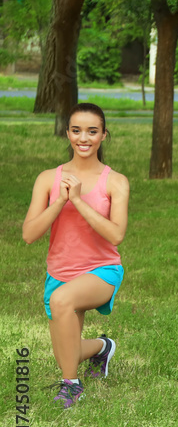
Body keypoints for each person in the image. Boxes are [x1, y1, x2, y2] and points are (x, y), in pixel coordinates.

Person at [22, 104, 130, 409]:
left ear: (103, 136)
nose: (84, 138)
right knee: (66, 353)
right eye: (76, 130)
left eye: (92, 131)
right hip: (59, 272)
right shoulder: (47, 178)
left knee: (62, 301)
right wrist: (59, 202)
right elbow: (29, 235)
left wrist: (79, 201)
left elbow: (116, 234)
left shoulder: (115, 181)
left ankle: (72, 386)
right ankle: (102, 347)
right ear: (67, 133)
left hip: (102, 270)